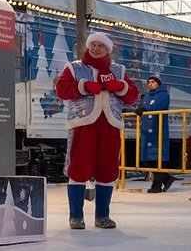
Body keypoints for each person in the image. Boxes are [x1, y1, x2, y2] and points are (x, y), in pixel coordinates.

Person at [55, 32, 139, 230]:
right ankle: (76, 216)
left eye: (101, 45)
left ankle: (103, 216)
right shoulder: (74, 68)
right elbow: (61, 90)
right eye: (93, 44)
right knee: (78, 168)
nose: (96, 48)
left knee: (107, 170)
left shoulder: (119, 70)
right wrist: (82, 86)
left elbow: (133, 96)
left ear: (107, 49)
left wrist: (121, 87)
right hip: (83, 125)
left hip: (110, 125)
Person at [135, 75, 177, 193]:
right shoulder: (146, 96)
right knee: (146, 159)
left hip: (158, 130)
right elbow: (140, 108)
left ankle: (157, 185)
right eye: (149, 82)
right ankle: (167, 178)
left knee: (157, 158)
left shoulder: (164, 95)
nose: (150, 84)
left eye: (153, 82)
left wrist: (145, 109)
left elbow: (155, 106)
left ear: (158, 83)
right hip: (146, 132)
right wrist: (128, 111)